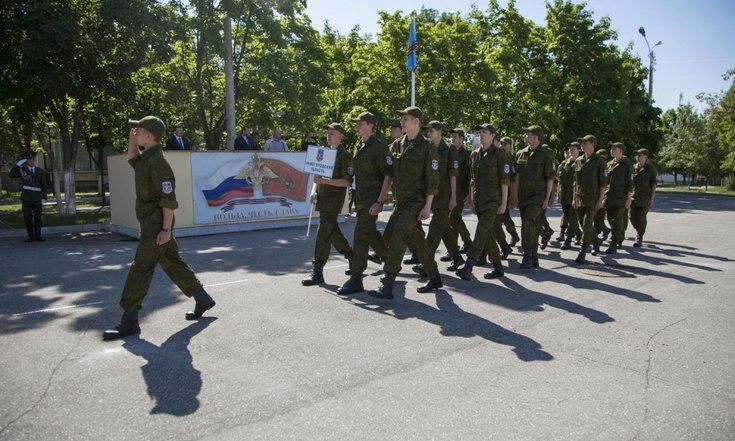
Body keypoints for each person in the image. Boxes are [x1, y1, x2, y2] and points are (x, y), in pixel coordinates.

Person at [103, 116, 215, 340]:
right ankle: (202, 298)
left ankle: (130, 320)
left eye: (140, 131)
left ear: (150, 135)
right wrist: (132, 140)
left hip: (157, 225)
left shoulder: (159, 163)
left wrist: (166, 230)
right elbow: (132, 159)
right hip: (152, 223)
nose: (136, 133)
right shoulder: (146, 159)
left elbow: (168, 200)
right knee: (172, 263)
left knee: (141, 268)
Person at [370, 106, 441, 299]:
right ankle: (434, 276)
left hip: (416, 201)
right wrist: (381, 198)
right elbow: (388, 174)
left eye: (406, 119)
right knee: (416, 241)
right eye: (402, 119)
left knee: (398, 235)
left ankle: (388, 283)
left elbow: (433, 181)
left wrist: (427, 206)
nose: (402, 122)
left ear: (417, 121)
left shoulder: (428, 148)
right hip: (400, 202)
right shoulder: (397, 145)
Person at [337, 112, 393, 296]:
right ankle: (388, 258)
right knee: (369, 231)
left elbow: (388, 174)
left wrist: (380, 200)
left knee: (360, 234)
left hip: (372, 198)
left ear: (370, 125)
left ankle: (356, 277)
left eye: (360, 123)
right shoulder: (358, 145)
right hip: (360, 198)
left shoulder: (379, 146)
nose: (356, 126)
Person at [302, 123, 354, 286]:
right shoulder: (324, 153)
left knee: (323, 234)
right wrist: (314, 191)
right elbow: (317, 177)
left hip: (333, 200)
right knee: (331, 232)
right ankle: (351, 255)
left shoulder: (344, 155)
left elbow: (346, 182)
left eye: (332, 133)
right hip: (323, 198)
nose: (329, 135)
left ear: (341, 136)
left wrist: (324, 181)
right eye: (328, 133)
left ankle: (317, 272)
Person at [456, 123, 510, 281]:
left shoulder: (500, 154)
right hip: (480, 201)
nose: (481, 135)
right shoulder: (474, 155)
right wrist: (472, 200)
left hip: (494, 202)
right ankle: (498, 268)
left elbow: (505, 181)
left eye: (485, 132)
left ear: (493, 135)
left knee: (480, 231)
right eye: (480, 132)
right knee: (487, 235)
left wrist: (504, 203)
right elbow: (473, 180)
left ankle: (468, 265)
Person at [409, 120, 458, 276]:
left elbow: (453, 176)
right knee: (444, 230)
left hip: (444, 195)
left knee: (435, 228)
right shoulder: (427, 148)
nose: (428, 134)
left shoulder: (449, 149)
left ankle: (426, 264)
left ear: (439, 132)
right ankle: (457, 258)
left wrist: (453, 197)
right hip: (431, 195)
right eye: (427, 131)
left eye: (431, 131)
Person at [515, 126, 555, 269]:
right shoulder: (521, 153)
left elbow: (550, 178)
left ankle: (527, 255)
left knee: (528, 222)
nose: (524, 135)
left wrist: (547, 198)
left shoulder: (546, 154)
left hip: (538, 196)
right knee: (533, 226)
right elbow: (517, 177)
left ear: (536, 136)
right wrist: (515, 196)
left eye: (528, 134)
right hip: (523, 196)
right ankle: (534, 255)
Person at [572, 135, 607, 264]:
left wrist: (600, 200)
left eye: (585, 143)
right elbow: (575, 182)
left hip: (593, 198)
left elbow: (603, 183)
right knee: (583, 224)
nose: (582, 145)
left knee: (587, 225)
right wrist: (574, 198)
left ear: (592, 144)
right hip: (580, 198)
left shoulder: (600, 161)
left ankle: (583, 250)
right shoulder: (578, 161)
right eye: (581, 143)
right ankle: (596, 240)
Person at [441, 128, 472, 270]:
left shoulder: (466, 155)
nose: (452, 139)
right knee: (455, 219)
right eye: (451, 137)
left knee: (452, 221)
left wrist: (469, 194)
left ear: (461, 139)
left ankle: (453, 253)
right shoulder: (448, 151)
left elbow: (470, 176)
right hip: (449, 191)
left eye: (455, 137)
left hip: (460, 193)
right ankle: (467, 241)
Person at [9, 151, 48, 242]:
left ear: (34, 160)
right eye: (29, 159)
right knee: (27, 217)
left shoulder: (40, 171)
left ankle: (38, 235)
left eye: (32, 159)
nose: (31, 161)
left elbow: (44, 186)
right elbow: (11, 175)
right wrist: (18, 165)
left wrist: (44, 197)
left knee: (38, 217)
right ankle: (30, 236)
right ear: (26, 161)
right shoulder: (22, 170)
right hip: (26, 198)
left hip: (38, 198)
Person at [603, 142, 633, 254]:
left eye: (614, 148)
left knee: (616, 222)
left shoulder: (627, 164)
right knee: (610, 220)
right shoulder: (609, 164)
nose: (612, 150)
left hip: (621, 198)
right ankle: (619, 236)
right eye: (611, 148)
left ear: (621, 151)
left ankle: (613, 243)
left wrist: (629, 199)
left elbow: (630, 183)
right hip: (610, 197)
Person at [495, 136, 520, 258]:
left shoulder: (511, 160)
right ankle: (512, 237)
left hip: (505, 194)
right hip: (497, 194)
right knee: (501, 220)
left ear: (510, 146)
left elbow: (512, 180)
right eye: (501, 144)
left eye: (505, 144)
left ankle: (505, 245)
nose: (502, 146)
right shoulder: (498, 157)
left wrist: (513, 197)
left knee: (501, 219)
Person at [630, 148, 657, 247]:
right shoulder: (633, 168)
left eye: (640, 155)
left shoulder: (650, 168)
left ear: (646, 157)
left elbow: (653, 183)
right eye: (636, 155)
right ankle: (639, 230)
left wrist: (652, 197)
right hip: (633, 197)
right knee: (632, 217)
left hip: (645, 198)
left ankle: (639, 236)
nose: (637, 157)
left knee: (641, 218)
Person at [558, 142, 581, 250]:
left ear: (579, 150)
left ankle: (568, 241)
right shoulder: (564, 164)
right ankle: (580, 234)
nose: (570, 151)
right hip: (565, 196)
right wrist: (559, 193)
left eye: (573, 149)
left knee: (573, 218)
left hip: (575, 196)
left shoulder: (581, 163)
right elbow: (560, 181)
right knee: (569, 218)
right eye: (570, 149)